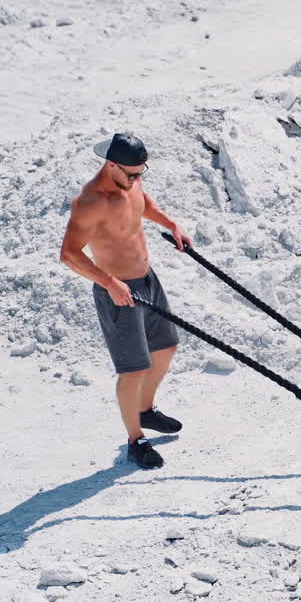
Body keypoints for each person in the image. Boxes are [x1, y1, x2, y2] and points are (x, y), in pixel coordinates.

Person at [58, 133, 193, 469]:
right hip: (117, 290)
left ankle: (144, 410)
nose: (137, 179)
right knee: (134, 368)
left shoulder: (131, 182)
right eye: (131, 173)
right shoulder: (92, 201)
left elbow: (142, 204)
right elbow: (68, 255)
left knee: (166, 347)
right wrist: (109, 282)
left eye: (140, 173)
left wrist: (171, 224)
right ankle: (136, 439)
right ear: (111, 164)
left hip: (147, 279)